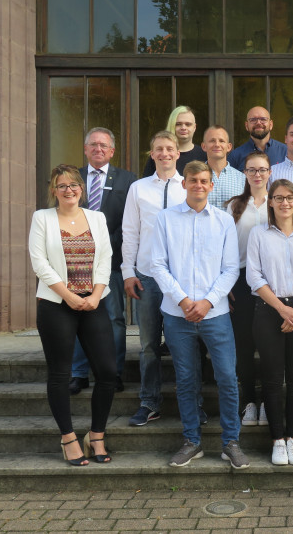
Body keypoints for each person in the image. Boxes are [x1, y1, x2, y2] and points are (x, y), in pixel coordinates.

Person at [150, 161, 249, 469]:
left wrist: (206, 302)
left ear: (211, 185)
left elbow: (231, 268)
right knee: (186, 379)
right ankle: (192, 441)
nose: (198, 185)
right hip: (177, 315)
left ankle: (231, 442)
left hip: (215, 314)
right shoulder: (165, 219)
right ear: (185, 184)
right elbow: (157, 265)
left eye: (204, 181)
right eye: (193, 180)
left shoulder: (223, 221)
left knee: (227, 378)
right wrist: (182, 300)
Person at [29, 164, 116, 466]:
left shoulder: (97, 218)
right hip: (56, 305)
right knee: (60, 373)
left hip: (94, 303)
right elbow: (39, 263)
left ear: (82, 188)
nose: (69, 190)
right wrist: (68, 296)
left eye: (73, 184)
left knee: (106, 371)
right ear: (54, 191)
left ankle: (96, 435)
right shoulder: (42, 218)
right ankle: (68, 438)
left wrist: (94, 295)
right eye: (61, 185)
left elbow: (105, 257)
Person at [246, 179, 293, 466]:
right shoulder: (258, 234)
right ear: (271, 202)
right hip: (268, 310)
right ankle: (277, 440)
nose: (285, 203)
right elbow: (254, 277)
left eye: (290, 198)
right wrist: (281, 310)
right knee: (273, 378)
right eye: (279, 198)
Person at [121, 131, 189, 426]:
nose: (164, 153)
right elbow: (130, 232)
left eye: (169, 148)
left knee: (185, 344)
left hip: (181, 280)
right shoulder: (138, 189)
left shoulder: (188, 186)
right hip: (146, 278)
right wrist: (127, 271)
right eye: (158, 149)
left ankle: (192, 402)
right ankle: (149, 401)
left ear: (178, 153)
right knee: (148, 344)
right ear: (152, 154)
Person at [69, 128, 135, 396]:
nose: (98, 149)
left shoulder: (128, 180)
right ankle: (78, 373)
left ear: (112, 151)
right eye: (93, 144)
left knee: (113, 318)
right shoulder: (73, 178)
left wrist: (106, 245)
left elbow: (129, 222)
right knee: (77, 315)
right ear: (85, 149)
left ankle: (112, 373)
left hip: (113, 260)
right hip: (77, 259)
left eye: (103, 145)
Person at [226, 152, 271, 427]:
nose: (257, 174)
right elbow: (225, 247)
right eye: (252, 170)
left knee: (268, 345)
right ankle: (249, 402)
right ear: (244, 173)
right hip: (240, 280)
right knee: (243, 345)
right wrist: (228, 283)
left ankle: (267, 401)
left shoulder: (277, 203)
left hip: (271, 280)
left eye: (262, 169)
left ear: (269, 172)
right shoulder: (234, 206)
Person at [142, 106, 206, 177]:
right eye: (178, 124)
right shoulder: (160, 156)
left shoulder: (205, 156)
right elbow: (147, 184)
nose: (183, 128)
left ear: (195, 127)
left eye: (188, 124)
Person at [201, 125, 245, 210]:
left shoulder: (242, 179)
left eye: (221, 141)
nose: (217, 145)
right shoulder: (195, 178)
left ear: (229, 147)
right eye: (212, 141)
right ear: (204, 146)